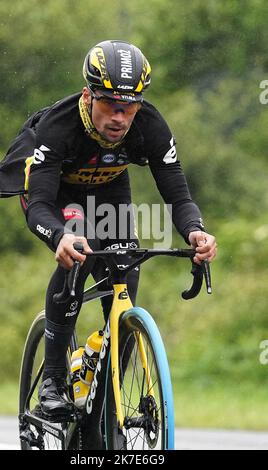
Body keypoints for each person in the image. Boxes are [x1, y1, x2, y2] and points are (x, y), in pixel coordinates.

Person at [19, 40, 217, 419]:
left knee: (128, 263)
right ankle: (54, 380)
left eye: (129, 107)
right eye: (110, 105)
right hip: (57, 198)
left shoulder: (150, 125)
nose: (119, 118)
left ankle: (107, 388)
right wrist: (60, 236)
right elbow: (40, 205)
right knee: (80, 251)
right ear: (88, 96)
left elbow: (177, 193)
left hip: (109, 193)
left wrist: (195, 231)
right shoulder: (59, 126)